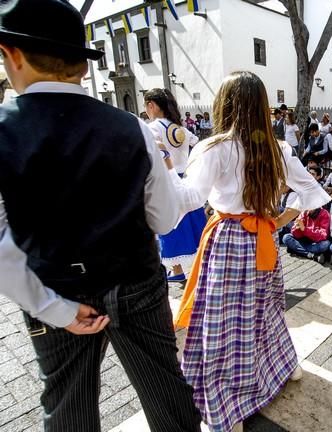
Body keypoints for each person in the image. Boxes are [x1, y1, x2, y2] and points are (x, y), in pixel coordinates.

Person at [0, 1, 202, 430]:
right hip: (135, 284)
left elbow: (3, 249)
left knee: (68, 409)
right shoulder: (132, 127)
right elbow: (164, 218)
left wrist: (55, 310)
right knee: (168, 396)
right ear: (82, 67)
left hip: (53, 285)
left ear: (13, 54)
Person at [169, 71, 331, 432]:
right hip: (263, 238)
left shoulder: (213, 148)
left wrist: (164, 169)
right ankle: (284, 366)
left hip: (228, 239)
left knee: (224, 322)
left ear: (223, 105)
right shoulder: (278, 148)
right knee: (265, 308)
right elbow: (313, 194)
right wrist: (278, 219)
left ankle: (227, 409)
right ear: (262, 105)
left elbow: (189, 200)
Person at [144, 88, 203, 282]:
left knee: (170, 225)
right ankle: (198, 267)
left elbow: (158, 156)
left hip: (166, 180)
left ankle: (177, 270)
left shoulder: (152, 128)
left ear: (151, 105)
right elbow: (198, 144)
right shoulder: (182, 129)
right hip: (187, 180)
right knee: (193, 225)